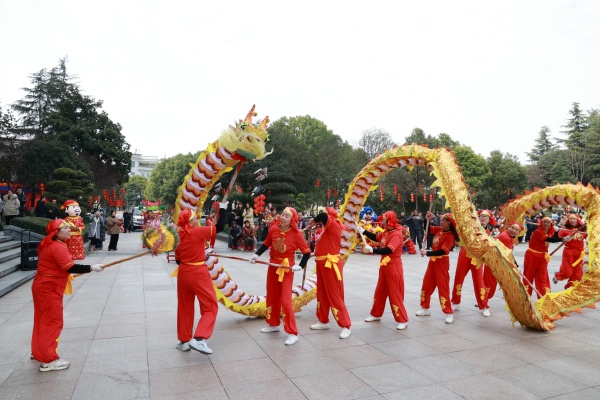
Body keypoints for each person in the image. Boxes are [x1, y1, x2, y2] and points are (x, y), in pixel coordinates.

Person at [31, 219, 103, 371]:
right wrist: (92, 267)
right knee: (53, 321)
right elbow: (70, 267)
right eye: (65, 228)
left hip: (44, 286)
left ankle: (39, 350)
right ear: (56, 232)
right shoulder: (57, 246)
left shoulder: (51, 244)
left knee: (43, 320)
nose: (69, 230)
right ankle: (48, 360)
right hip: (49, 288)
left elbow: (59, 267)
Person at [249, 207, 311, 346]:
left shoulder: (296, 234)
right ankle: (273, 324)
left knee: (286, 301)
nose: (283, 218)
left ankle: (293, 333)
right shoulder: (274, 229)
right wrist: (256, 255)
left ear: (292, 220)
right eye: (283, 214)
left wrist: (300, 266)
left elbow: (307, 252)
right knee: (272, 295)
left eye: (287, 216)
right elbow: (266, 244)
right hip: (273, 266)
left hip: (286, 269)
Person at [174, 203, 227, 354]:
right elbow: (220, 227)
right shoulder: (197, 231)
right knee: (210, 306)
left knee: (184, 307)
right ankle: (199, 339)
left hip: (183, 273)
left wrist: (198, 253)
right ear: (190, 222)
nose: (197, 220)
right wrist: (223, 208)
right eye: (195, 219)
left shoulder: (178, 236)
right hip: (198, 272)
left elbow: (178, 260)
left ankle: (184, 341)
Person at [360, 210, 409, 330]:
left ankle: (402, 319)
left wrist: (373, 250)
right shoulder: (386, 232)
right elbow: (376, 237)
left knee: (394, 293)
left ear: (390, 221)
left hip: (393, 265)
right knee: (380, 291)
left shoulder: (396, 234)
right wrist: (364, 231)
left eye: (384, 220)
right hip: (384, 265)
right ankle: (376, 314)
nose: (382, 222)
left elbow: (389, 250)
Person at [309, 208, 352, 338]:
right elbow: (326, 245)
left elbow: (322, 216)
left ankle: (346, 325)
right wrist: (313, 254)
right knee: (322, 293)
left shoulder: (333, 225)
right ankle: (323, 321)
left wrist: (314, 221)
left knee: (334, 295)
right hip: (322, 264)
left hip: (330, 265)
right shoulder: (327, 229)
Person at [451, 210, 497, 317]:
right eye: (482, 216)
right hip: (465, 254)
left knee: (479, 281)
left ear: (489, 220)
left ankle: (484, 306)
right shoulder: (470, 226)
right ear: (478, 217)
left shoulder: (488, 232)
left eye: (486, 216)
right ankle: (455, 302)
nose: (483, 218)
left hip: (477, 259)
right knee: (459, 278)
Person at [416, 213, 460, 324]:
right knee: (426, 285)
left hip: (442, 263)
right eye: (441, 219)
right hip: (432, 263)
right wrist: (427, 218)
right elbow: (427, 228)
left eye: (443, 220)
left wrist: (427, 253)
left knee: (442, 287)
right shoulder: (439, 230)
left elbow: (442, 251)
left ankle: (449, 312)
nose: (441, 221)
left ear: (449, 222)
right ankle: (425, 308)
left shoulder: (450, 236)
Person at [523, 216, 568, 298]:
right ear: (541, 223)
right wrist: (562, 239)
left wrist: (558, 231)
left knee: (542, 277)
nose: (546, 224)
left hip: (542, 257)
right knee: (528, 275)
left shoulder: (548, 232)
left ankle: (544, 297)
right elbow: (549, 239)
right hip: (532, 256)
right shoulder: (538, 232)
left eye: (548, 223)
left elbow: (554, 237)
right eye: (544, 222)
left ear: (551, 225)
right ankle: (525, 296)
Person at [485, 221, 523, 299]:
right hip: (493, 262)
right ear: (508, 227)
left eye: (516, 230)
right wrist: (516, 266)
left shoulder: (509, 236)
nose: (513, 231)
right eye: (512, 228)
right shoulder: (505, 237)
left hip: (497, 262)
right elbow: (508, 255)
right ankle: (483, 301)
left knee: (491, 283)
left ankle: (484, 300)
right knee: (489, 283)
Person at [553, 214, 586, 289]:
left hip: (580, 254)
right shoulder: (565, 229)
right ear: (568, 220)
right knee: (567, 272)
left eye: (574, 219)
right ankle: (558, 275)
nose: (572, 220)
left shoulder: (583, 230)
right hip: (569, 251)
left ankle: (570, 289)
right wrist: (556, 230)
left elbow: (590, 236)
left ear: (577, 220)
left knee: (577, 275)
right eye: (571, 219)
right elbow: (557, 237)